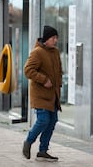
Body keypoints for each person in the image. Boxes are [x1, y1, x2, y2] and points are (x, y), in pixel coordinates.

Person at [22, 25, 62, 162]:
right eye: (53, 38)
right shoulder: (37, 52)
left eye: (56, 38)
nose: (55, 40)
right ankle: (28, 142)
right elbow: (28, 70)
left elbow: (58, 71)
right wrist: (44, 80)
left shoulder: (55, 52)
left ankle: (43, 151)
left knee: (52, 122)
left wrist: (59, 85)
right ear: (46, 39)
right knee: (43, 120)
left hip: (53, 95)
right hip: (40, 95)